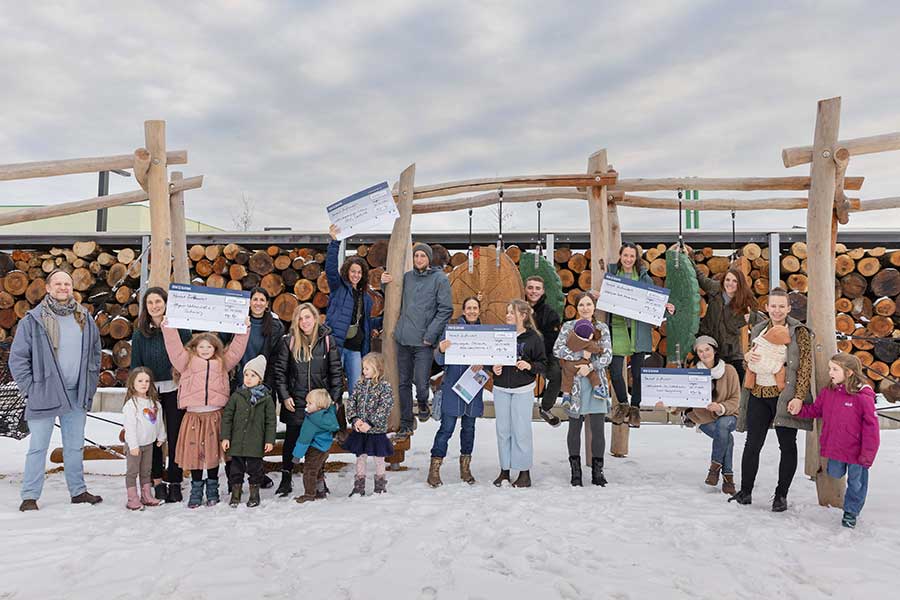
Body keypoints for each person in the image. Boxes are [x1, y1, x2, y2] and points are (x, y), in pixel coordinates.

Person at [10, 270, 103, 512]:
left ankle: (78, 491)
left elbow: (95, 354)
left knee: (74, 446)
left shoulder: (84, 317)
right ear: (48, 288)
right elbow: (18, 359)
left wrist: (90, 383)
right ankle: (30, 496)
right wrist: (31, 389)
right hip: (44, 392)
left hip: (76, 392)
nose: (63, 287)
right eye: (58, 283)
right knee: (38, 446)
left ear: (72, 288)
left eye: (67, 284)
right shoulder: (33, 320)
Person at [729, 288, 813, 512]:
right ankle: (746, 492)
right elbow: (753, 362)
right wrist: (747, 358)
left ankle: (781, 495)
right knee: (752, 444)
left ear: (788, 308)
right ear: (767, 307)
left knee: (787, 445)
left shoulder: (799, 332)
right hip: (758, 393)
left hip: (784, 396)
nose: (777, 310)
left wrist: (799, 397)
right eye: (773, 306)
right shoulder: (758, 329)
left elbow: (805, 366)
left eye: (781, 306)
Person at [162, 317, 250, 508]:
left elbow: (236, 350)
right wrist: (168, 327)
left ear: (215, 348)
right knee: (195, 453)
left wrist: (244, 328)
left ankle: (212, 488)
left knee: (211, 453)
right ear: (194, 348)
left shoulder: (222, 362)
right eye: (201, 346)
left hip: (214, 415)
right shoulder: (186, 361)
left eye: (209, 346)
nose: (205, 350)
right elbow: (174, 348)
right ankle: (196, 490)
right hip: (193, 416)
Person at [788, 353, 880, 529]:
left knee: (856, 483)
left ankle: (851, 512)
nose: (830, 372)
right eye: (830, 368)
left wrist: (867, 455)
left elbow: (872, 430)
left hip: (857, 451)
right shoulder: (829, 392)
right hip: (836, 447)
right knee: (835, 473)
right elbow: (816, 410)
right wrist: (798, 410)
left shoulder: (863, 397)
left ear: (849, 372)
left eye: (835, 369)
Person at [272, 303, 343, 497]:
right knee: (292, 439)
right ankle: (286, 478)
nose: (304, 322)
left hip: (319, 403)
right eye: (300, 318)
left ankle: (319, 478)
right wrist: (285, 396)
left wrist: (334, 399)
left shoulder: (327, 340)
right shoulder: (289, 341)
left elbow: (336, 371)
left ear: (315, 318)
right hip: (296, 401)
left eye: (307, 317)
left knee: (319, 442)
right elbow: (280, 372)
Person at [381, 242, 453, 434]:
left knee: (421, 383)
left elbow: (446, 309)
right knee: (403, 383)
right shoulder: (407, 277)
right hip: (404, 339)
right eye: (416, 256)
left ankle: (422, 402)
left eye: (422, 256)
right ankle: (406, 423)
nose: (419, 259)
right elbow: (393, 294)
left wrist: (431, 335)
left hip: (424, 341)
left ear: (429, 258)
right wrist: (384, 283)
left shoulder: (440, 279)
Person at [218, 287, 283, 490]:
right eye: (254, 299)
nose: (258, 303)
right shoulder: (237, 321)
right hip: (238, 382)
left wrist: (268, 386)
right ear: (249, 302)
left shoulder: (275, 326)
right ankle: (233, 476)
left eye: (262, 299)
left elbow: (276, 357)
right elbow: (219, 340)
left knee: (257, 431)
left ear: (267, 303)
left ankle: (257, 474)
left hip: (262, 385)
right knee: (235, 429)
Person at [130, 286, 191, 503]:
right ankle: (156, 481)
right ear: (145, 307)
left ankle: (175, 481)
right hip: (151, 393)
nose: (154, 306)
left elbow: (188, 359)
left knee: (175, 436)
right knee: (153, 437)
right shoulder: (140, 334)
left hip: (175, 390)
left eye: (158, 301)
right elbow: (136, 366)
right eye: (150, 302)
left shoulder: (180, 329)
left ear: (166, 303)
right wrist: (138, 393)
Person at [607, 243, 674, 428]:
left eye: (632, 256)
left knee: (637, 373)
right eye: (625, 255)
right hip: (617, 328)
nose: (628, 259)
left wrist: (667, 309)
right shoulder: (612, 274)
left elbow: (655, 305)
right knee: (615, 371)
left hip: (639, 330)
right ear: (620, 256)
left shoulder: (645, 279)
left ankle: (635, 408)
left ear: (636, 258)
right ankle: (623, 405)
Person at [553, 293, 612, 487]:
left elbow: (607, 355)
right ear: (577, 307)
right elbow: (557, 350)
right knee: (574, 428)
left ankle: (597, 471)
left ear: (594, 307)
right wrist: (581, 354)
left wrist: (591, 366)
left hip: (595, 383)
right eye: (581, 305)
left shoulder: (601, 328)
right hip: (575, 383)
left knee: (598, 429)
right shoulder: (568, 327)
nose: (585, 308)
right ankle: (575, 471)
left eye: (588, 304)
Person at [429, 296, 484, 487]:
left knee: (469, 429)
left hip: (473, 388)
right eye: (469, 308)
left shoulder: (486, 333)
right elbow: (439, 360)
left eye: (475, 308)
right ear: (463, 310)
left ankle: (465, 468)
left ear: (479, 310)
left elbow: (492, 360)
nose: (472, 311)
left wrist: (484, 364)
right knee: (446, 429)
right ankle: (434, 468)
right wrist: (441, 350)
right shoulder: (451, 331)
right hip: (453, 385)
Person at [491, 299, 546, 489]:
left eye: (511, 312)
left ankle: (524, 472)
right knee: (503, 431)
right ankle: (504, 470)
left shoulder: (534, 338)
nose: (507, 315)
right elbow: (491, 357)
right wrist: (493, 367)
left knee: (521, 431)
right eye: (507, 312)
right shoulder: (500, 334)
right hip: (501, 388)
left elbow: (542, 364)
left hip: (523, 389)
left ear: (523, 316)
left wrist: (529, 366)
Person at [326, 224, 379, 394]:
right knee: (333, 386)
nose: (356, 275)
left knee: (356, 389)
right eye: (353, 271)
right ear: (347, 272)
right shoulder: (338, 287)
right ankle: (334, 412)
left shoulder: (366, 297)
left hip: (356, 349)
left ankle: (353, 413)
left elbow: (366, 322)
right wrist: (334, 242)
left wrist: (381, 322)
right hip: (337, 346)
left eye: (359, 272)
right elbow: (330, 269)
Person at [685, 336, 741, 495]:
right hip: (703, 418)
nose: (704, 354)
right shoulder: (693, 372)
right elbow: (684, 398)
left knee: (723, 425)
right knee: (727, 439)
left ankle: (714, 468)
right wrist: (668, 404)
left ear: (715, 350)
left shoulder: (729, 370)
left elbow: (736, 399)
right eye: (700, 351)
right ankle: (728, 477)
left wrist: (720, 407)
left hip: (729, 414)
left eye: (707, 349)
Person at [690, 259, 760, 382]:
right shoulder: (715, 288)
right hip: (709, 342)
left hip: (730, 348)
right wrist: (688, 258)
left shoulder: (747, 300)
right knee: (707, 380)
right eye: (728, 280)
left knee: (740, 379)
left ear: (740, 284)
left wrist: (752, 318)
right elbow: (701, 278)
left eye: (734, 281)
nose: (730, 284)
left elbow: (762, 320)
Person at [221, 355, 276, 508]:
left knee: (255, 469)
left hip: (255, 441)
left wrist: (269, 440)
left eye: (253, 375)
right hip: (237, 441)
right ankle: (235, 494)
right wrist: (225, 437)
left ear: (260, 379)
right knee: (236, 469)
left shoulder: (266, 399)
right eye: (246, 375)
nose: (249, 378)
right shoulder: (236, 396)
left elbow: (271, 421)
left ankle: (254, 495)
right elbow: (227, 417)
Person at [343, 352, 394, 495]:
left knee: (379, 459)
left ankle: (380, 485)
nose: (364, 371)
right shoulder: (359, 385)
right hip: (360, 431)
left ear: (377, 369)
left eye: (367, 368)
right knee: (360, 457)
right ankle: (359, 486)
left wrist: (370, 423)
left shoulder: (384, 387)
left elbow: (385, 407)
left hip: (376, 431)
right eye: (363, 368)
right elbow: (351, 403)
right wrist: (355, 419)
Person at [121, 367, 167, 510]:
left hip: (149, 444)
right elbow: (130, 427)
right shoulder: (131, 405)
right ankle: (132, 499)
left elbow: (159, 422)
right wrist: (133, 445)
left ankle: (146, 496)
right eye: (140, 381)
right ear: (132, 383)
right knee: (132, 472)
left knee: (146, 471)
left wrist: (161, 436)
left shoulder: (154, 404)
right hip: (135, 446)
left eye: (147, 381)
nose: (144, 384)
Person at [525, 276, 562, 427]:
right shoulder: (517, 309)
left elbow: (552, 340)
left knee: (556, 375)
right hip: (520, 353)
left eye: (537, 288)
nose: (534, 291)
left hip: (544, 354)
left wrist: (538, 355)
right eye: (530, 287)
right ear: (525, 289)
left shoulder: (550, 313)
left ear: (542, 291)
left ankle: (546, 408)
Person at [292, 389, 340, 503]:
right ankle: (320, 491)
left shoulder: (312, 420)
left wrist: (297, 455)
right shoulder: (328, 415)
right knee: (317, 470)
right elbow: (332, 407)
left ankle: (309, 494)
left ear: (319, 406)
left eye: (310, 403)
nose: (306, 405)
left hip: (314, 449)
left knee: (309, 471)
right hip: (324, 449)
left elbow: (304, 439)